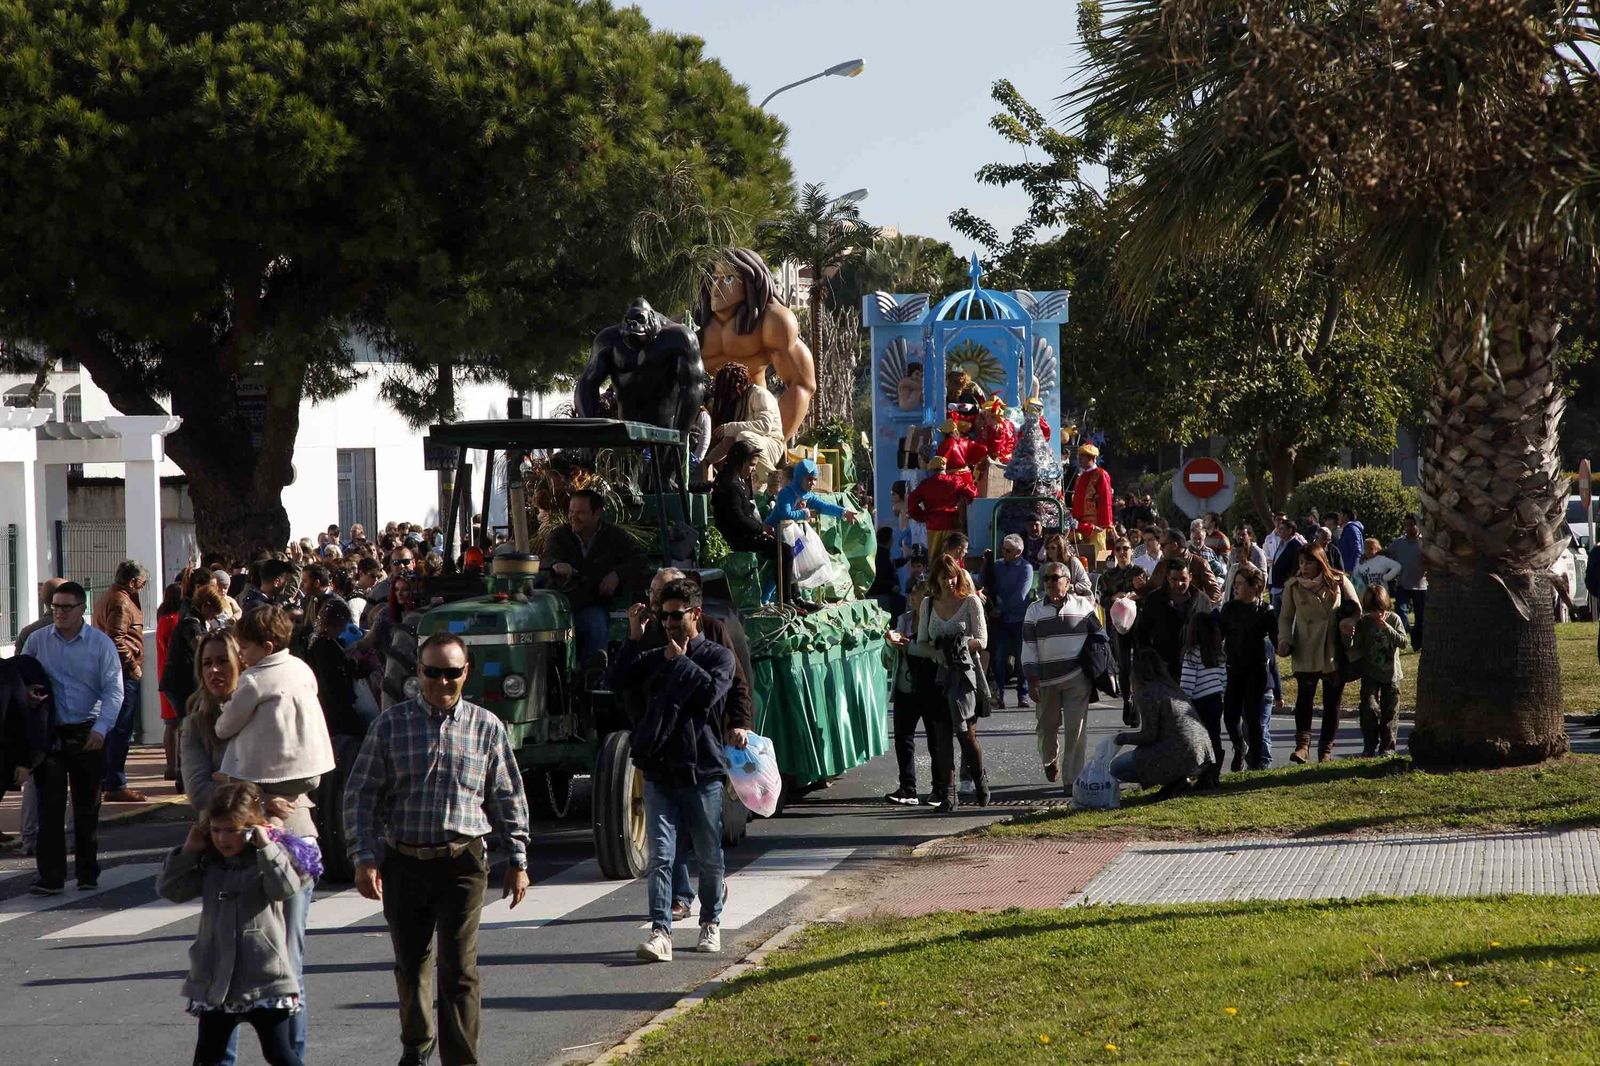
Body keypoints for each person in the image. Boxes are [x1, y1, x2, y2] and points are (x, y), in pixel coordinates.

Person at [344, 632, 531, 1066]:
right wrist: (363, 858)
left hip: (463, 862)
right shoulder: (390, 725)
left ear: (466, 673)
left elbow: (507, 796)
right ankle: (417, 1044)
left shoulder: (486, 726)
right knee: (411, 966)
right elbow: (361, 794)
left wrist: (518, 860)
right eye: (432, 672)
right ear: (418, 671)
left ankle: (461, 1060)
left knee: (459, 969)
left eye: (451, 673)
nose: (442, 682)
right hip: (405, 862)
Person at [182, 629, 318, 1064]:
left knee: (285, 964)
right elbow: (200, 791)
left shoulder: (271, 700)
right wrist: (260, 798)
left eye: (223, 660)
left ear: (244, 662)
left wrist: (241, 788)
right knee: (224, 963)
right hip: (225, 853)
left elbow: (303, 769)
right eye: (207, 663)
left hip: (285, 843)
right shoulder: (197, 722)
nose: (215, 670)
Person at [608, 579, 738, 961]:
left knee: (709, 856)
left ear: (696, 614)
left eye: (676, 615)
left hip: (702, 773)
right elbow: (615, 681)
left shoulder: (718, 656)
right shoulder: (656, 656)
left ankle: (710, 921)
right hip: (660, 773)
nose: (669, 623)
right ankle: (661, 932)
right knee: (661, 857)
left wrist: (680, 661)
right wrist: (634, 639)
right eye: (664, 617)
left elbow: (708, 696)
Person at [158, 782, 311, 1066]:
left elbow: (284, 889)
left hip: (264, 978)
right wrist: (189, 850)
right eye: (216, 830)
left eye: (232, 830)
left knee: (278, 1054)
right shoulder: (210, 862)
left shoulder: (267, 858)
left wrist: (267, 848)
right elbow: (171, 890)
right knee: (208, 1057)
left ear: (252, 828)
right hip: (216, 980)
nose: (222, 838)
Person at [22, 581, 122, 894]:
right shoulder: (38, 641)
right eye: (55, 606)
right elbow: (20, 675)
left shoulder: (100, 644)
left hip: (87, 730)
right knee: (49, 807)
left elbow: (114, 689)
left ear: (82, 609)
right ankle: (50, 877)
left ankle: (87, 872)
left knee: (86, 806)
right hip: (51, 733)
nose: (60, 613)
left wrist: (101, 729)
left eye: (66, 607)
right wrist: (27, 692)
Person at [213, 607, 337, 823]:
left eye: (244, 648)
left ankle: (269, 827)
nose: (240, 654)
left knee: (228, 782)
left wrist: (224, 710)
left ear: (267, 648)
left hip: (274, 774)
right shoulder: (301, 667)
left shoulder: (254, 680)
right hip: (313, 767)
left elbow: (226, 727)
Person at [543, 488, 651, 667]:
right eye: (571, 512)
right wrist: (556, 564)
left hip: (592, 604)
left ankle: (594, 676)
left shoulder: (613, 536)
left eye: (581, 513)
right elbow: (548, 557)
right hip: (559, 606)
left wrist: (617, 574)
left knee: (595, 625)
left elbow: (640, 560)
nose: (573, 517)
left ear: (597, 513)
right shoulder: (560, 535)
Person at [1021, 560, 1102, 788]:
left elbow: (1100, 636)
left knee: (1076, 730)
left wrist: (1097, 667)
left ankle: (1072, 780)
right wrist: (1032, 680)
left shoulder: (1083, 606)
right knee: (1047, 727)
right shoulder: (1034, 610)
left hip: (1077, 678)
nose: (1049, 582)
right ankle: (1049, 759)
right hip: (1045, 680)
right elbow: (1028, 647)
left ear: (1067, 582)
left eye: (1055, 578)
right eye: (1046, 578)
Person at [1277, 544, 1360, 764]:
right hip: (1306, 646)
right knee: (1304, 698)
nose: (1304, 567)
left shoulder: (1339, 581)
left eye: (1309, 562)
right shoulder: (1293, 586)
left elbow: (1356, 608)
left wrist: (1349, 622)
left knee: (1332, 702)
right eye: (1301, 562)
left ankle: (1326, 750)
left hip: (1333, 647)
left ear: (1320, 561)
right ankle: (1302, 746)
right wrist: (1284, 640)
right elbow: (1285, 617)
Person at [1108, 651, 1214, 800]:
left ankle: (1173, 778)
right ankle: (1183, 779)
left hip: (1180, 752)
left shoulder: (1148, 693)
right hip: (1202, 753)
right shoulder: (1172, 687)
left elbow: (1149, 735)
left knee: (1116, 767)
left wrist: (1122, 738)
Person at [710, 441, 802, 607]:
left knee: (787, 547)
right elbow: (737, 517)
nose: (753, 469)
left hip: (746, 532)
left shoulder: (740, 481)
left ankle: (795, 597)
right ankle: (786, 600)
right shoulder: (730, 484)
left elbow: (749, 510)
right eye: (751, 465)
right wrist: (761, 529)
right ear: (741, 462)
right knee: (785, 551)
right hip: (736, 537)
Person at [93, 559, 148, 803]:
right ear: (132, 582)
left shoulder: (113, 597)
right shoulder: (121, 602)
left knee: (115, 727)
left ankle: (108, 779)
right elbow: (116, 638)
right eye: (142, 584)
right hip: (122, 672)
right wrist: (133, 665)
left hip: (114, 670)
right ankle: (114, 782)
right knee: (120, 727)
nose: (142, 589)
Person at [1219, 566, 1277, 771]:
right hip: (1234, 668)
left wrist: (1284, 644)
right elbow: (1218, 635)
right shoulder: (1229, 609)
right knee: (1230, 716)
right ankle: (1239, 746)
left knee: (1253, 718)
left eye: (1240, 584)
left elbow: (1277, 639)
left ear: (1255, 586)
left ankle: (1256, 761)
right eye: (1234, 584)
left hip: (1256, 669)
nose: (1236, 588)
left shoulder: (1265, 610)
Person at [886, 580, 937, 805]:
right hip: (905, 685)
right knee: (903, 738)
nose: (913, 600)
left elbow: (933, 652)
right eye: (912, 596)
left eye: (918, 596)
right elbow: (891, 657)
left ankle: (940, 789)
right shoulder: (904, 620)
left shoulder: (935, 621)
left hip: (930, 687)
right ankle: (908, 789)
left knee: (936, 740)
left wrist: (910, 646)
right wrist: (891, 643)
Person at [701, 361, 786, 482]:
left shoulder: (759, 394)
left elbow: (764, 426)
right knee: (738, 443)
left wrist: (730, 427)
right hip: (754, 446)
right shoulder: (740, 402)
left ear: (737, 385)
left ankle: (775, 481)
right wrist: (708, 461)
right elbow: (729, 440)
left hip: (771, 444)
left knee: (743, 437)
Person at [1350, 585, 1409, 757]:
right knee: (1368, 708)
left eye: (1380, 610)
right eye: (1373, 611)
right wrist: (1349, 634)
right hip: (1370, 672)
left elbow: (1403, 643)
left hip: (1391, 674)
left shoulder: (1394, 619)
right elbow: (1355, 645)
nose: (1377, 614)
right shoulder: (1364, 622)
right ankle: (1369, 745)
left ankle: (1387, 747)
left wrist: (1387, 629)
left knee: (1390, 711)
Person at [1135, 559, 1207, 680]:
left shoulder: (1202, 601)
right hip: (1162, 668)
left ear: (1190, 577)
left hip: (1193, 668)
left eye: (1183, 579)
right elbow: (1141, 632)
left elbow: (1208, 634)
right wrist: (1150, 658)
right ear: (1168, 577)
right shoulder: (1154, 599)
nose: (1179, 584)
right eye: (1174, 579)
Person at [1180, 610, 1228, 788]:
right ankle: (1214, 775)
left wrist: (1183, 701)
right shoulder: (1218, 653)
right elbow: (1223, 679)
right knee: (1214, 736)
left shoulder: (1192, 654)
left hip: (1198, 702)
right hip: (1215, 700)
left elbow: (1188, 683)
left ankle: (1202, 774)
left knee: (1199, 739)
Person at [988, 535, 1035, 710]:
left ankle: (1023, 694)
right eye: (1003, 549)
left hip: (1019, 619)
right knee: (999, 658)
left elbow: (1021, 594)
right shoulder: (998, 566)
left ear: (1018, 552)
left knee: (1022, 659)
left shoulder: (1026, 568)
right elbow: (986, 582)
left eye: (1008, 550)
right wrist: (986, 563)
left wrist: (1002, 608)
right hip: (1002, 621)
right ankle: (999, 695)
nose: (1004, 553)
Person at [907, 456, 975, 562]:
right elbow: (971, 494)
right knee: (953, 558)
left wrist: (923, 517)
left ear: (931, 470)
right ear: (944, 468)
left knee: (934, 559)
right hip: (952, 523)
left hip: (933, 525)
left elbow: (911, 504)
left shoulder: (925, 484)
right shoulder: (955, 480)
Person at [156, 581, 184, 784]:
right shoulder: (175, 621)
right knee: (177, 723)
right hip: (176, 675)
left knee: (170, 723)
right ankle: (176, 765)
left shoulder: (162, 619)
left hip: (164, 673)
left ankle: (170, 766)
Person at [1147, 529, 1223, 604]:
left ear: (1174, 545)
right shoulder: (1162, 564)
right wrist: (1140, 587)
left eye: (1163, 545)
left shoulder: (1199, 563)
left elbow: (1215, 592)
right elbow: (1150, 588)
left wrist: (1201, 608)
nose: (1160, 548)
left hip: (1190, 609)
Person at [1386, 514, 1428, 651]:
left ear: (1417, 525)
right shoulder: (1399, 543)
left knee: (1420, 617)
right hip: (1403, 585)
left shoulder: (1424, 542)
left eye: (1411, 525)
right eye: (1405, 525)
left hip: (1421, 586)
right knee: (1401, 613)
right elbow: (1386, 553)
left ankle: (1417, 642)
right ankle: (1406, 634)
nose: (1408, 528)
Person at [1070, 443, 1115, 557]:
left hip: (1097, 523)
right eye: (1080, 456)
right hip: (1081, 524)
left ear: (1092, 458)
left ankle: (1103, 568)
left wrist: (1106, 524)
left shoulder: (1101, 474)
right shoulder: (1080, 477)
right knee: (1083, 554)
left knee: (1100, 551)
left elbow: (1106, 500)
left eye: (1083, 456)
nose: (1080, 458)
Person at [1269, 517, 1307, 612]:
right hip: (1276, 586)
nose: (1279, 531)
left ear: (1290, 530)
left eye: (1282, 529)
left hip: (1286, 588)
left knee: (1287, 614)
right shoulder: (1281, 544)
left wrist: (1289, 583)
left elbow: (1296, 567)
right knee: (1276, 616)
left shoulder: (1296, 546)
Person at [1337, 508, 1365, 573]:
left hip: (1350, 571)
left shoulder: (1352, 529)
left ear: (1345, 516)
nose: (1338, 517)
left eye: (1340, 514)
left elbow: (1356, 551)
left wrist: (1351, 570)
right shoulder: (1347, 529)